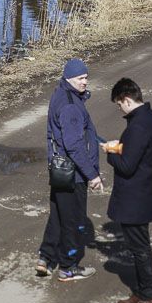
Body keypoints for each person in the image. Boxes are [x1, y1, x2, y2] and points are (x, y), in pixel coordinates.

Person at [36, 58, 103, 282]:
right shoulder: (71, 106)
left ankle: (45, 258)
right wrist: (92, 175)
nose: (85, 81)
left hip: (59, 170)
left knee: (57, 215)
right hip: (72, 174)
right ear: (68, 79)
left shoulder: (60, 95)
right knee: (73, 222)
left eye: (86, 77)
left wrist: (97, 140)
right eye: (80, 78)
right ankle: (68, 267)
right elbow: (74, 145)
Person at [103, 77, 152, 303]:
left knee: (140, 249)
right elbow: (139, 154)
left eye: (119, 105)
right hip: (145, 192)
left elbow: (127, 165)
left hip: (135, 198)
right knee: (139, 247)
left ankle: (149, 297)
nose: (119, 109)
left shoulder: (138, 126)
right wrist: (120, 147)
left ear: (126, 100)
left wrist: (110, 151)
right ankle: (141, 292)